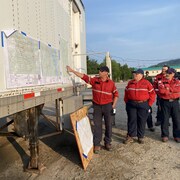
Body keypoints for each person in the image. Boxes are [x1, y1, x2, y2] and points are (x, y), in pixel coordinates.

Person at [66, 65, 119, 153]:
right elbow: (84, 76)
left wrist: (113, 105)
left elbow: (116, 95)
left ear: (106, 73)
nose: (99, 72)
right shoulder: (95, 80)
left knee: (108, 125)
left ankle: (107, 142)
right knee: (97, 126)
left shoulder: (111, 83)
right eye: (99, 70)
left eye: (101, 71)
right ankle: (97, 144)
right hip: (97, 106)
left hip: (107, 106)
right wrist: (72, 71)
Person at [124, 69, 156, 144]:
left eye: (136, 74)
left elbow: (152, 94)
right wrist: (127, 102)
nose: (134, 75)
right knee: (131, 120)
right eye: (134, 74)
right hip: (131, 104)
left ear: (141, 75)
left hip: (143, 104)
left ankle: (140, 137)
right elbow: (126, 93)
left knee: (142, 121)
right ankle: (130, 136)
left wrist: (149, 104)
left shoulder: (147, 83)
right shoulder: (130, 83)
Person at [157, 68, 180, 143]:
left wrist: (168, 89)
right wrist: (172, 90)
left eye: (169, 73)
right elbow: (161, 91)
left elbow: (178, 89)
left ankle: (177, 136)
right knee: (165, 119)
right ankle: (165, 135)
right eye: (166, 72)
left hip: (175, 102)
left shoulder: (177, 81)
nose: (167, 74)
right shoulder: (160, 81)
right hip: (165, 102)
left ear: (173, 74)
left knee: (177, 119)